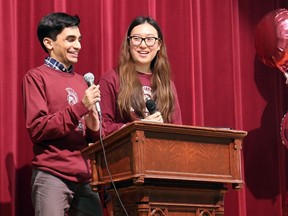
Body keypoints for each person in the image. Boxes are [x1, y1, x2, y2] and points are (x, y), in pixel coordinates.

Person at [22, 12, 103, 216]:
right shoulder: (36, 77)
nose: (78, 46)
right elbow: (38, 128)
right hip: (52, 174)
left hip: (84, 177)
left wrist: (94, 126)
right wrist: (80, 107)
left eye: (79, 40)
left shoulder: (81, 80)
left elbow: (91, 137)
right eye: (70, 39)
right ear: (49, 43)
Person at [98, 16, 182, 136]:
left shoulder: (167, 84)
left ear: (159, 45)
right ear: (128, 43)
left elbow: (177, 131)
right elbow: (102, 128)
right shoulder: (111, 79)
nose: (143, 45)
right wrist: (139, 126)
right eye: (136, 39)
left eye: (150, 39)